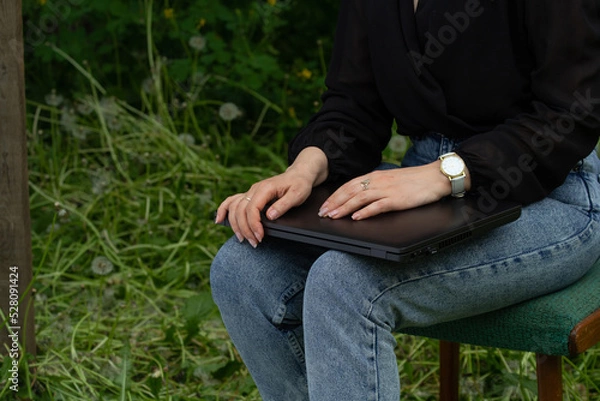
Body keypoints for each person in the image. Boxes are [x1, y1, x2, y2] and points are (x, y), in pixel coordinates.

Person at [211, 0, 600, 399]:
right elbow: (354, 104)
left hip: (551, 196)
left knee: (344, 283)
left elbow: (572, 112)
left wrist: (443, 173)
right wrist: (306, 167)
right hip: (422, 190)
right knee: (241, 271)